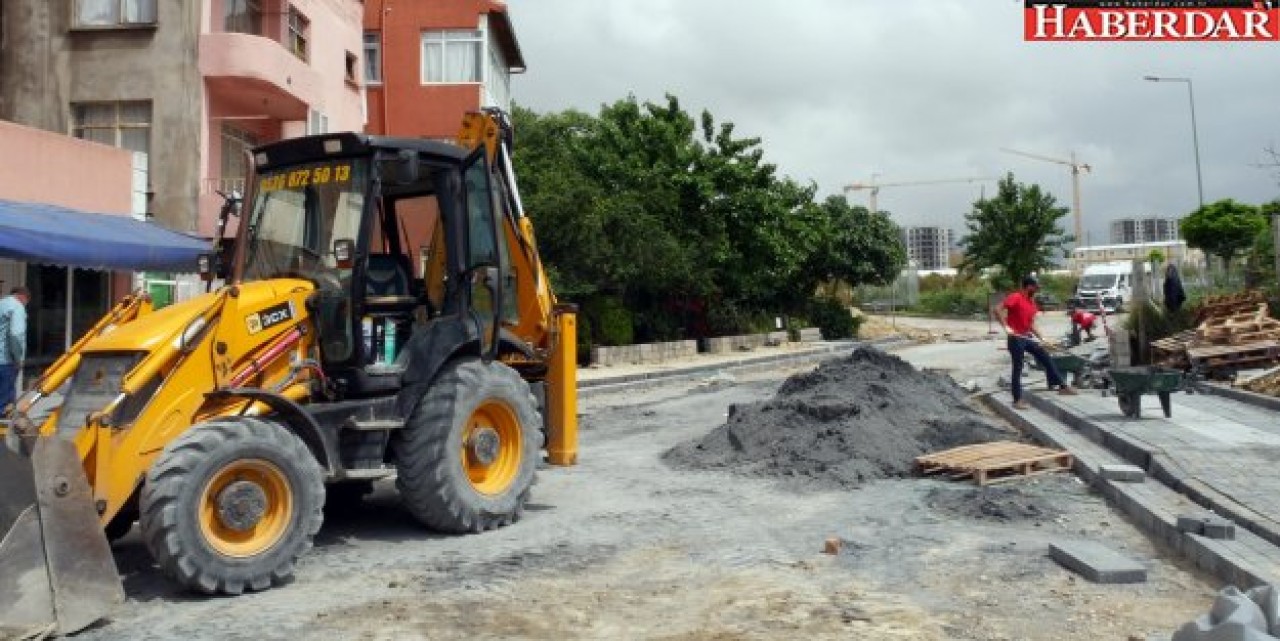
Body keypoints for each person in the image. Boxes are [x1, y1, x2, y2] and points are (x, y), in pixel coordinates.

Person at [995, 276, 1077, 410]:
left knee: (1045, 357)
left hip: (1027, 337)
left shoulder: (1031, 303)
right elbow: (997, 309)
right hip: (1015, 339)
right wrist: (1006, 327)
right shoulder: (1016, 297)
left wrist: (1042, 338)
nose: (1037, 290)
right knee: (1018, 368)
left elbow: (1031, 324)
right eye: (1036, 287)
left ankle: (1063, 386)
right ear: (1028, 287)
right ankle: (1017, 400)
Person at [0, 286, 29, 414]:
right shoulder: (17, 307)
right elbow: (16, 334)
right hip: (5, 361)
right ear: (23, 297)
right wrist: (18, 358)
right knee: (5, 406)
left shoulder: (2, 304)